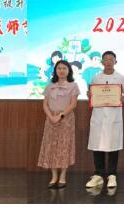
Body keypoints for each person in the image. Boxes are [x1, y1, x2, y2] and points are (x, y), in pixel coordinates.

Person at [85, 51, 124, 189]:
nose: (109, 62)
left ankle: (112, 175)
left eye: (111, 59)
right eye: (106, 59)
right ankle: (98, 175)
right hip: (98, 116)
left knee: (113, 145)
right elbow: (91, 94)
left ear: (115, 62)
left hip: (113, 116)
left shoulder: (121, 78)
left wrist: (123, 98)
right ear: (102, 62)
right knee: (97, 145)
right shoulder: (96, 78)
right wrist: (90, 95)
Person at [37, 60, 80, 188]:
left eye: (64, 68)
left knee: (64, 146)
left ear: (69, 71)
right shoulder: (50, 85)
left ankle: (63, 176)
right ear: (55, 70)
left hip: (66, 119)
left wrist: (60, 116)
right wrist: (51, 116)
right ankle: (54, 176)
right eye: (59, 68)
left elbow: (73, 104)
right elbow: (45, 104)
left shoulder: (73, 85)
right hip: (51, 119)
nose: (61, 70)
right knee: (51, 146)